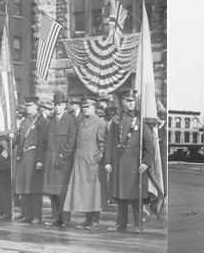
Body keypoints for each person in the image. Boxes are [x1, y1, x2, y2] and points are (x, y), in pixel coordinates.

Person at [106, 93, 158, 233]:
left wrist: (147, 162)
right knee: (120, 197)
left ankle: (137, 225)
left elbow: (149, 143)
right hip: (119, 164)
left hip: (135, 165)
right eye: (128, 101)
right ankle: (121, 224)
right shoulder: (116, 119)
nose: (131, 103)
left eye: (133, 101)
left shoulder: (140, 120)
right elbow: (110, 142)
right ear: (123, 101)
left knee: (136, 197)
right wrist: (108, 161)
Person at [67, 99, 108, 230]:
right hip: (80, 163)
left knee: (94, 193)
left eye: (88, 107)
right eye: (84, 107)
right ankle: (87, 220)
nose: (85, 109)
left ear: (94, 108)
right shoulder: (81, 122)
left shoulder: (100, 123)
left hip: (93, 164)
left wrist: (97, 158)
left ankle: (94, 221)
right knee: (85, 192)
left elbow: (103, 144)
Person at [44, 96, 79, 227]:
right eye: (55, 104)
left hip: (62, 162)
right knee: (52, 192)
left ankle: (65, 219)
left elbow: (71, 142)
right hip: (50, 161)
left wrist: (62, 155)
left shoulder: (70, 121)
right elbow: (46, 141)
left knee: (62, 193)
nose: (57, 107)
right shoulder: (52, 121)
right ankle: (55, 217)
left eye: (59, 104)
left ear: (65, 105)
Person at [14, 101, 48, 224]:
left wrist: (40, 160)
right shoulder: (24, 121)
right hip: (23, 157)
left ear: (36, 107)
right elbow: (19, 139)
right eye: (27, 106)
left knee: (34, 188)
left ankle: (37, 215)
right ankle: (26, 214)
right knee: (24, 187)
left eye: (30, 106)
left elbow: (43, 143)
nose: (28, 108)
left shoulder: (41, 122)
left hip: (34, 157)